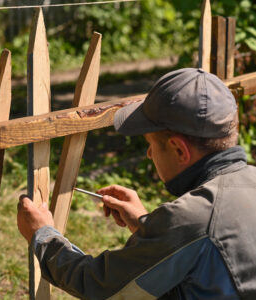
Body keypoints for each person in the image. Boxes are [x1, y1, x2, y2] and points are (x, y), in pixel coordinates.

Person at [17, 68, 256, 299]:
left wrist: (43, 235)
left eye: (150, 144)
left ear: (178, 149)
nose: (149, 155)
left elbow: (101, 286)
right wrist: (150, 227)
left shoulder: (193, 219)